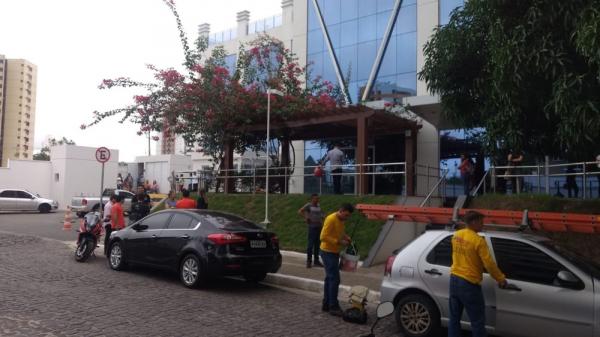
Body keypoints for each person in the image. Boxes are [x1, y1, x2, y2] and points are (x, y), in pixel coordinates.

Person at [449, 211, 507, 337]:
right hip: (469, 284)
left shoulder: (456, 235)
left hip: (454, 280)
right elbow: (489, 264)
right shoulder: (478, 241)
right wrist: (501, 279)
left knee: (454, 319)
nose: (483, 225)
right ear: (474, 222)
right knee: (477, 322)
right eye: (481, 222)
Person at [320, 203, 354, 316]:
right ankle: (333, 306)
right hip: (327, 252)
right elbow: (323, 236)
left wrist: (346, 237)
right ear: (341, 210)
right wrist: (339, 242)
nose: (347, 217)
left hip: (334, 252)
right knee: (334, 279)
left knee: (329, 279)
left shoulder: (341, 220)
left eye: (348, 216)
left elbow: (340, 232)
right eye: (346, 215)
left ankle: (326, 303)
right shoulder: (330, 219)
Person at [298, 194, 324, 268]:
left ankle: (316, 261)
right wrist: (306, 217)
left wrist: (323, 217)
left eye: (318, 199)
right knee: (310, 245)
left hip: (319, 226)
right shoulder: (309, 205)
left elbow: (321, 213)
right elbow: (300, 211)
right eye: (315, 199)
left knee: (317, 245)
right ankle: (309, 261)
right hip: (312, 227)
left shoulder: (319, 206)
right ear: (312, 199)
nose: (317, 200)